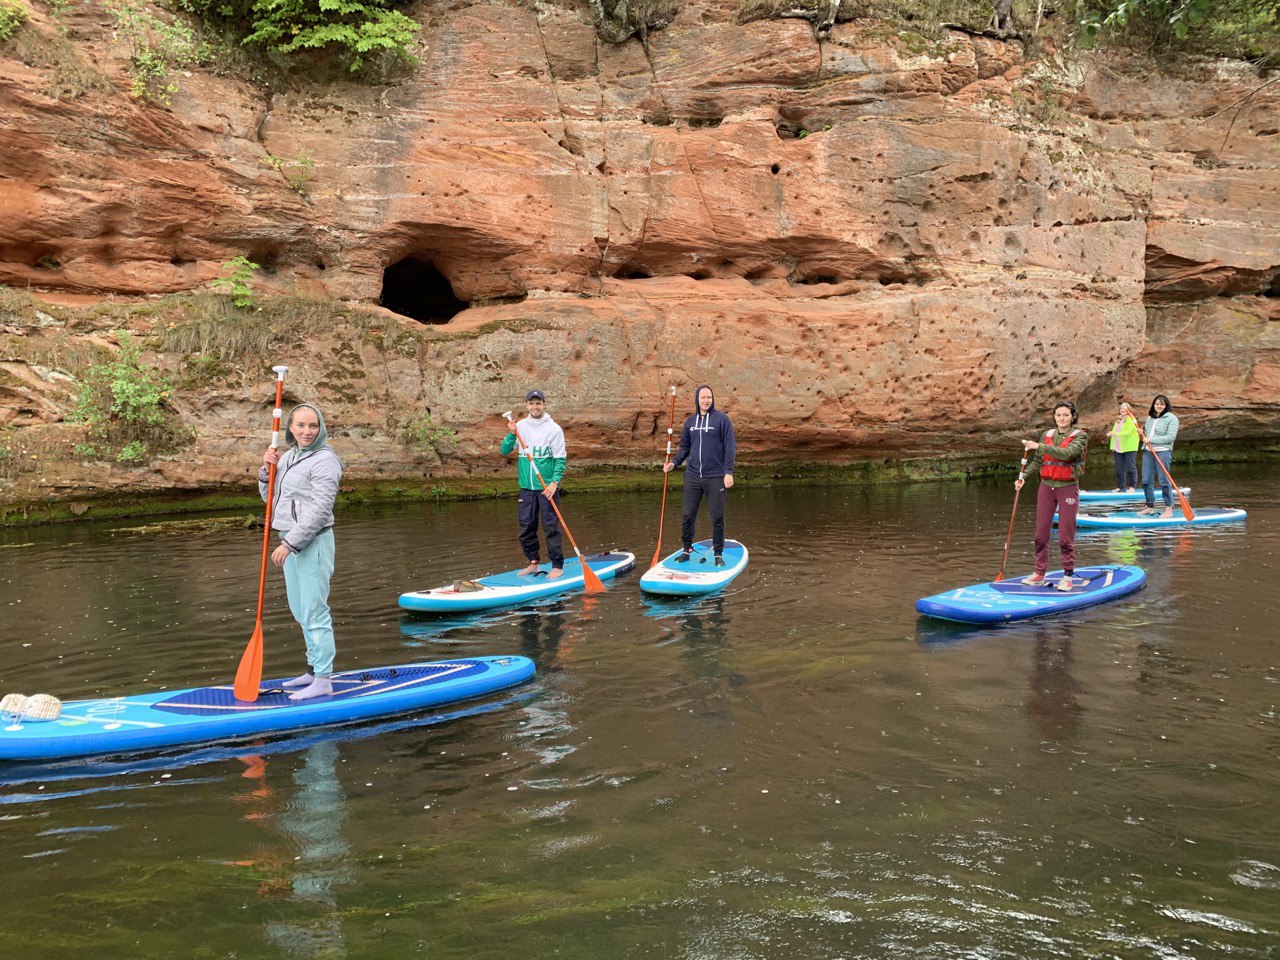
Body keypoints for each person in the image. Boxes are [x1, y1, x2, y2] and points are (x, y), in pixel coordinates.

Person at [259, 403, 343, 701]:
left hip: (312, 542)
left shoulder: (325, 461)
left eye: (313, 426)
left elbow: (320, 510)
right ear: (290, 428)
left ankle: (323, 678)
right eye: (301, 426)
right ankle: (312, 669)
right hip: (289, 539)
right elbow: (273, 500)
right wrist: (266, 472)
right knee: (299, 609)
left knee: (313, 609)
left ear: (321, 427)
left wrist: (290, 543)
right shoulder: (289, 457)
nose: (307, 432)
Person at [1015, 401, 1088, 591]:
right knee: (1040, 534)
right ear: (1054, 417)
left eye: (1065, 415)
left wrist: (1038, 446)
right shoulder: (1046, 435)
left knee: (1065, 535)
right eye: (1058, 415)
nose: (1062, 418)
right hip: (1046, 487)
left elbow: (1067, 454)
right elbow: (1039, 461)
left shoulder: (1080, 436)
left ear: (1072, 416)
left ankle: (1068, 575)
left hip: (1068, 488)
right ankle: (1039, 573)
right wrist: (1023, 478)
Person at [664, 384, 736, 566]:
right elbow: (684, 448)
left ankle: (718, 553)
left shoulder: (722, 420)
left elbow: (729, 448)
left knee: (717, 517)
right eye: (703, 397)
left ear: (712, 399)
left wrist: (728, 472)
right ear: (697, 399)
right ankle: (687, 548)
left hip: (715, 476)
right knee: (688, 515)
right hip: (693, 476)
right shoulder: (690, 423)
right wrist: (674, 463)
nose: (706, 400)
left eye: (709, 397)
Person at [501, 389, 567, 580]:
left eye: (538, 403)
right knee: (526, 527)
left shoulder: (554, 429)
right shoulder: (519, 426)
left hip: (546, 488)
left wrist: (554, 483)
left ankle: (557, 565)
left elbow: (560, 459)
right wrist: (511, 434)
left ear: (543, 405)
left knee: (550, 527)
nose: (535, 406)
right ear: (527, 405)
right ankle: (534, 563)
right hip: (526, 488)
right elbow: (504, 450)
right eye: (531, 403)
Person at [1138, 394, 1179, 518]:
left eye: (1162, 404)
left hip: (1163, 451)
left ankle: (1168, 509)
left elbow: (1171, 437)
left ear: (1166, 405)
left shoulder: (1172, 418)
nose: (1159, 406)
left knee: (1164, 481)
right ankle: (1149, 506)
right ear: (1153, 405)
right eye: (1157, 403)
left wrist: (1151, 439)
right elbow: (1147, 438)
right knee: (1146, 480)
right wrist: (1141, 434)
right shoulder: (1150, 418)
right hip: (1148, 452)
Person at [1106, 401, 1140, 492]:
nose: (1122, 410)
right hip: (1118, 447)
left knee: (1131, 467)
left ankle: (1132, 487)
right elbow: (1115, 431)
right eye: (1121, 408)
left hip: (1129, 447)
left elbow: (1127, 432)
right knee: (1119, 469)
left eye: (1125, 408)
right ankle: (1121, 487)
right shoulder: (1118, 420)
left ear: (1128, 410)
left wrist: (1115, 434)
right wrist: (1111, 434)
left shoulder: (1131, 419)